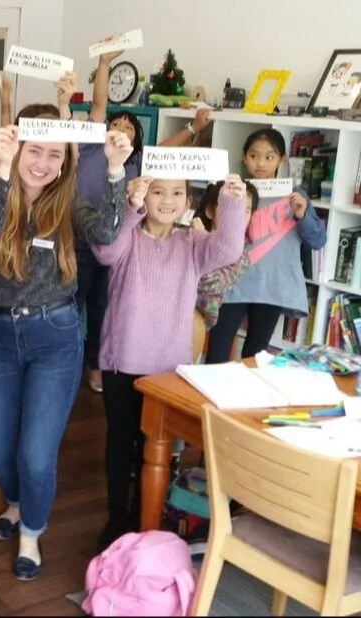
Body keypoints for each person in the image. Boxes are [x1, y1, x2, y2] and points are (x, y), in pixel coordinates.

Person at [0, 109, 129, 581]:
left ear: (66, 161)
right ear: (18, 147)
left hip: (55, 336)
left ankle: (31, 535)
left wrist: (116, 170)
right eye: (35, 151)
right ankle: (18, 503)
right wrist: (1, 168)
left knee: (37, 453)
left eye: (54, 155)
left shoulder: (70, 203)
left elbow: (106, 233)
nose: (42, 163)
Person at [92, 174, 247, 550]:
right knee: (121, 444)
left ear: (188, 201)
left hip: (168, 371)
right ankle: (117, 520)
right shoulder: (128, 236)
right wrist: (130, 208)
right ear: (145, 195)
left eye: (177, 193)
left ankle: (148, 520)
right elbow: (105, 251)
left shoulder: (192, 242)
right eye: (158, 191)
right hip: (122, 362)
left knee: (157, 448)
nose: (167, 200)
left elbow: (228, 250)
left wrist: (231, 201)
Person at [204, 129, 326, 362]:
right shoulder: (234, 190)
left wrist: (302, 215)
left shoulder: (296, 196)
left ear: (282, 160)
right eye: (253, 156)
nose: (260, 163)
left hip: (272, 287)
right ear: (244, 157)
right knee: (216, 354)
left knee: (255, 358)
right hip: (232, 283)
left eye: (269, 157)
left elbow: (318, 240)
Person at [76, 53, 143, 392]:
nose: (121, 129)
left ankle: (95, 368)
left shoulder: (133, 165)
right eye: (117, 124)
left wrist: (193, 129)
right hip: (76, 240)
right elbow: (100, 104)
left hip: (112, 247)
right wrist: (103, 65)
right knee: (70, 307)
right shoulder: (90, 147)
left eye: (130, 127)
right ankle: (67, 366)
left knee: (100, 310)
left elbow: (166, 153)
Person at [194, 180, 259, 331]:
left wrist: (199, 238)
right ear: (210, 211)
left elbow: (211, 284)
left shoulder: (241, 258)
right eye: (230, 207)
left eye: (246, 210)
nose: (238, 215)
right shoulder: (189, 236)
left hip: (197, 320)